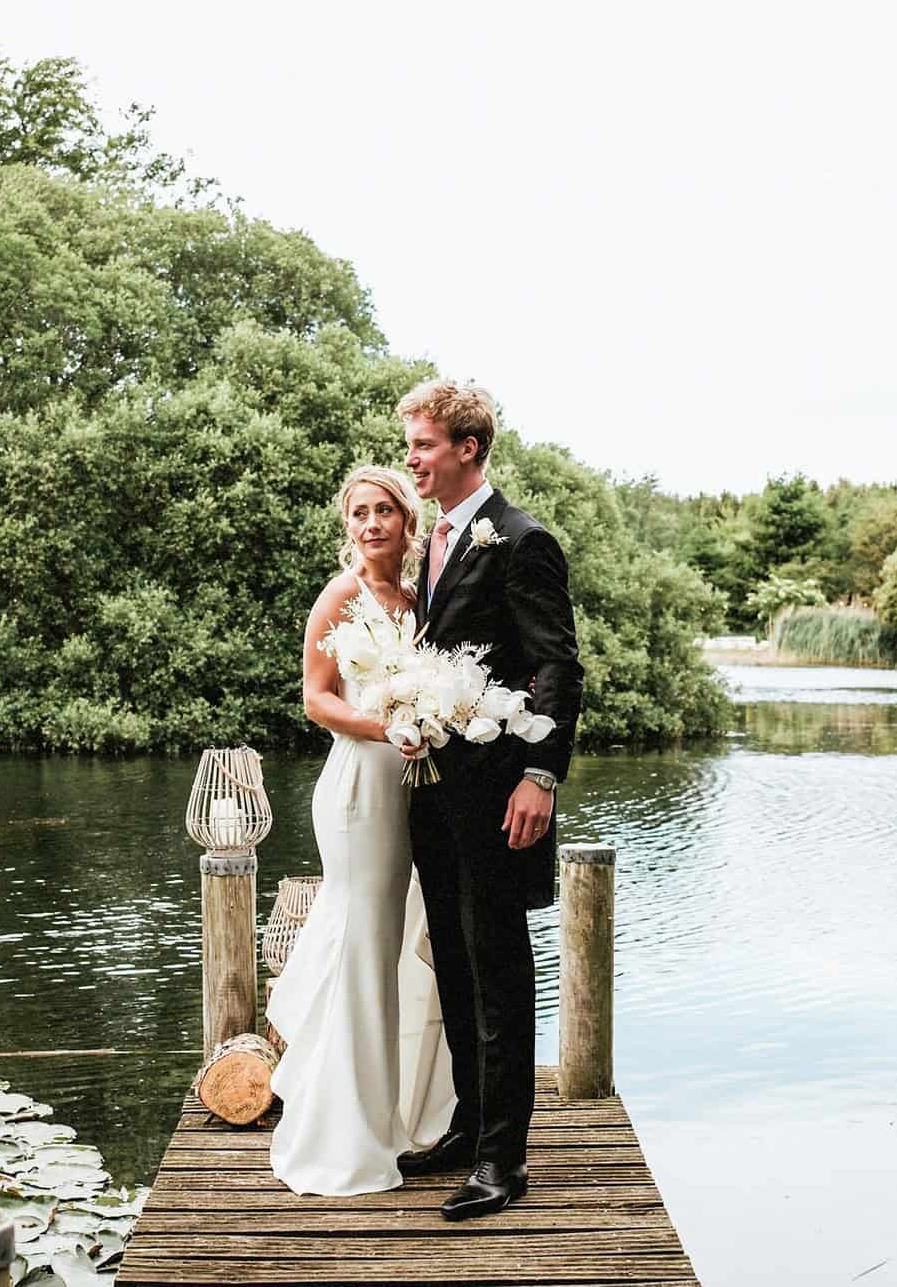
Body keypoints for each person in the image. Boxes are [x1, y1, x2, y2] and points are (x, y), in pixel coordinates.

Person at [394, 379, 583, 1221]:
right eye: (410, 444)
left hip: (503, 793)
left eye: (424, 445)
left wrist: (541, 776)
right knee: (456, 963)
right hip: (435, 791)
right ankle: (470, 1127)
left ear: (468, 448)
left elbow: (557, 665)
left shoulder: (522, 540)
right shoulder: (436, 539)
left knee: (500, 970)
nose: (412, 459)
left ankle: (504, 1161)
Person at [267, 465, 457, 1196]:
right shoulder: (340, 596)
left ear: (407, 521)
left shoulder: (419, 599)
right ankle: (340, 1134)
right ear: (348, 526)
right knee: (361, 942)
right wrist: (387, 727)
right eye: (359, 513)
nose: (371, 524)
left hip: (414, 789)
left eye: (384, 511)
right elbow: (316, 700)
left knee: (398, 945)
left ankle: (393, 1114)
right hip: (359, 790)